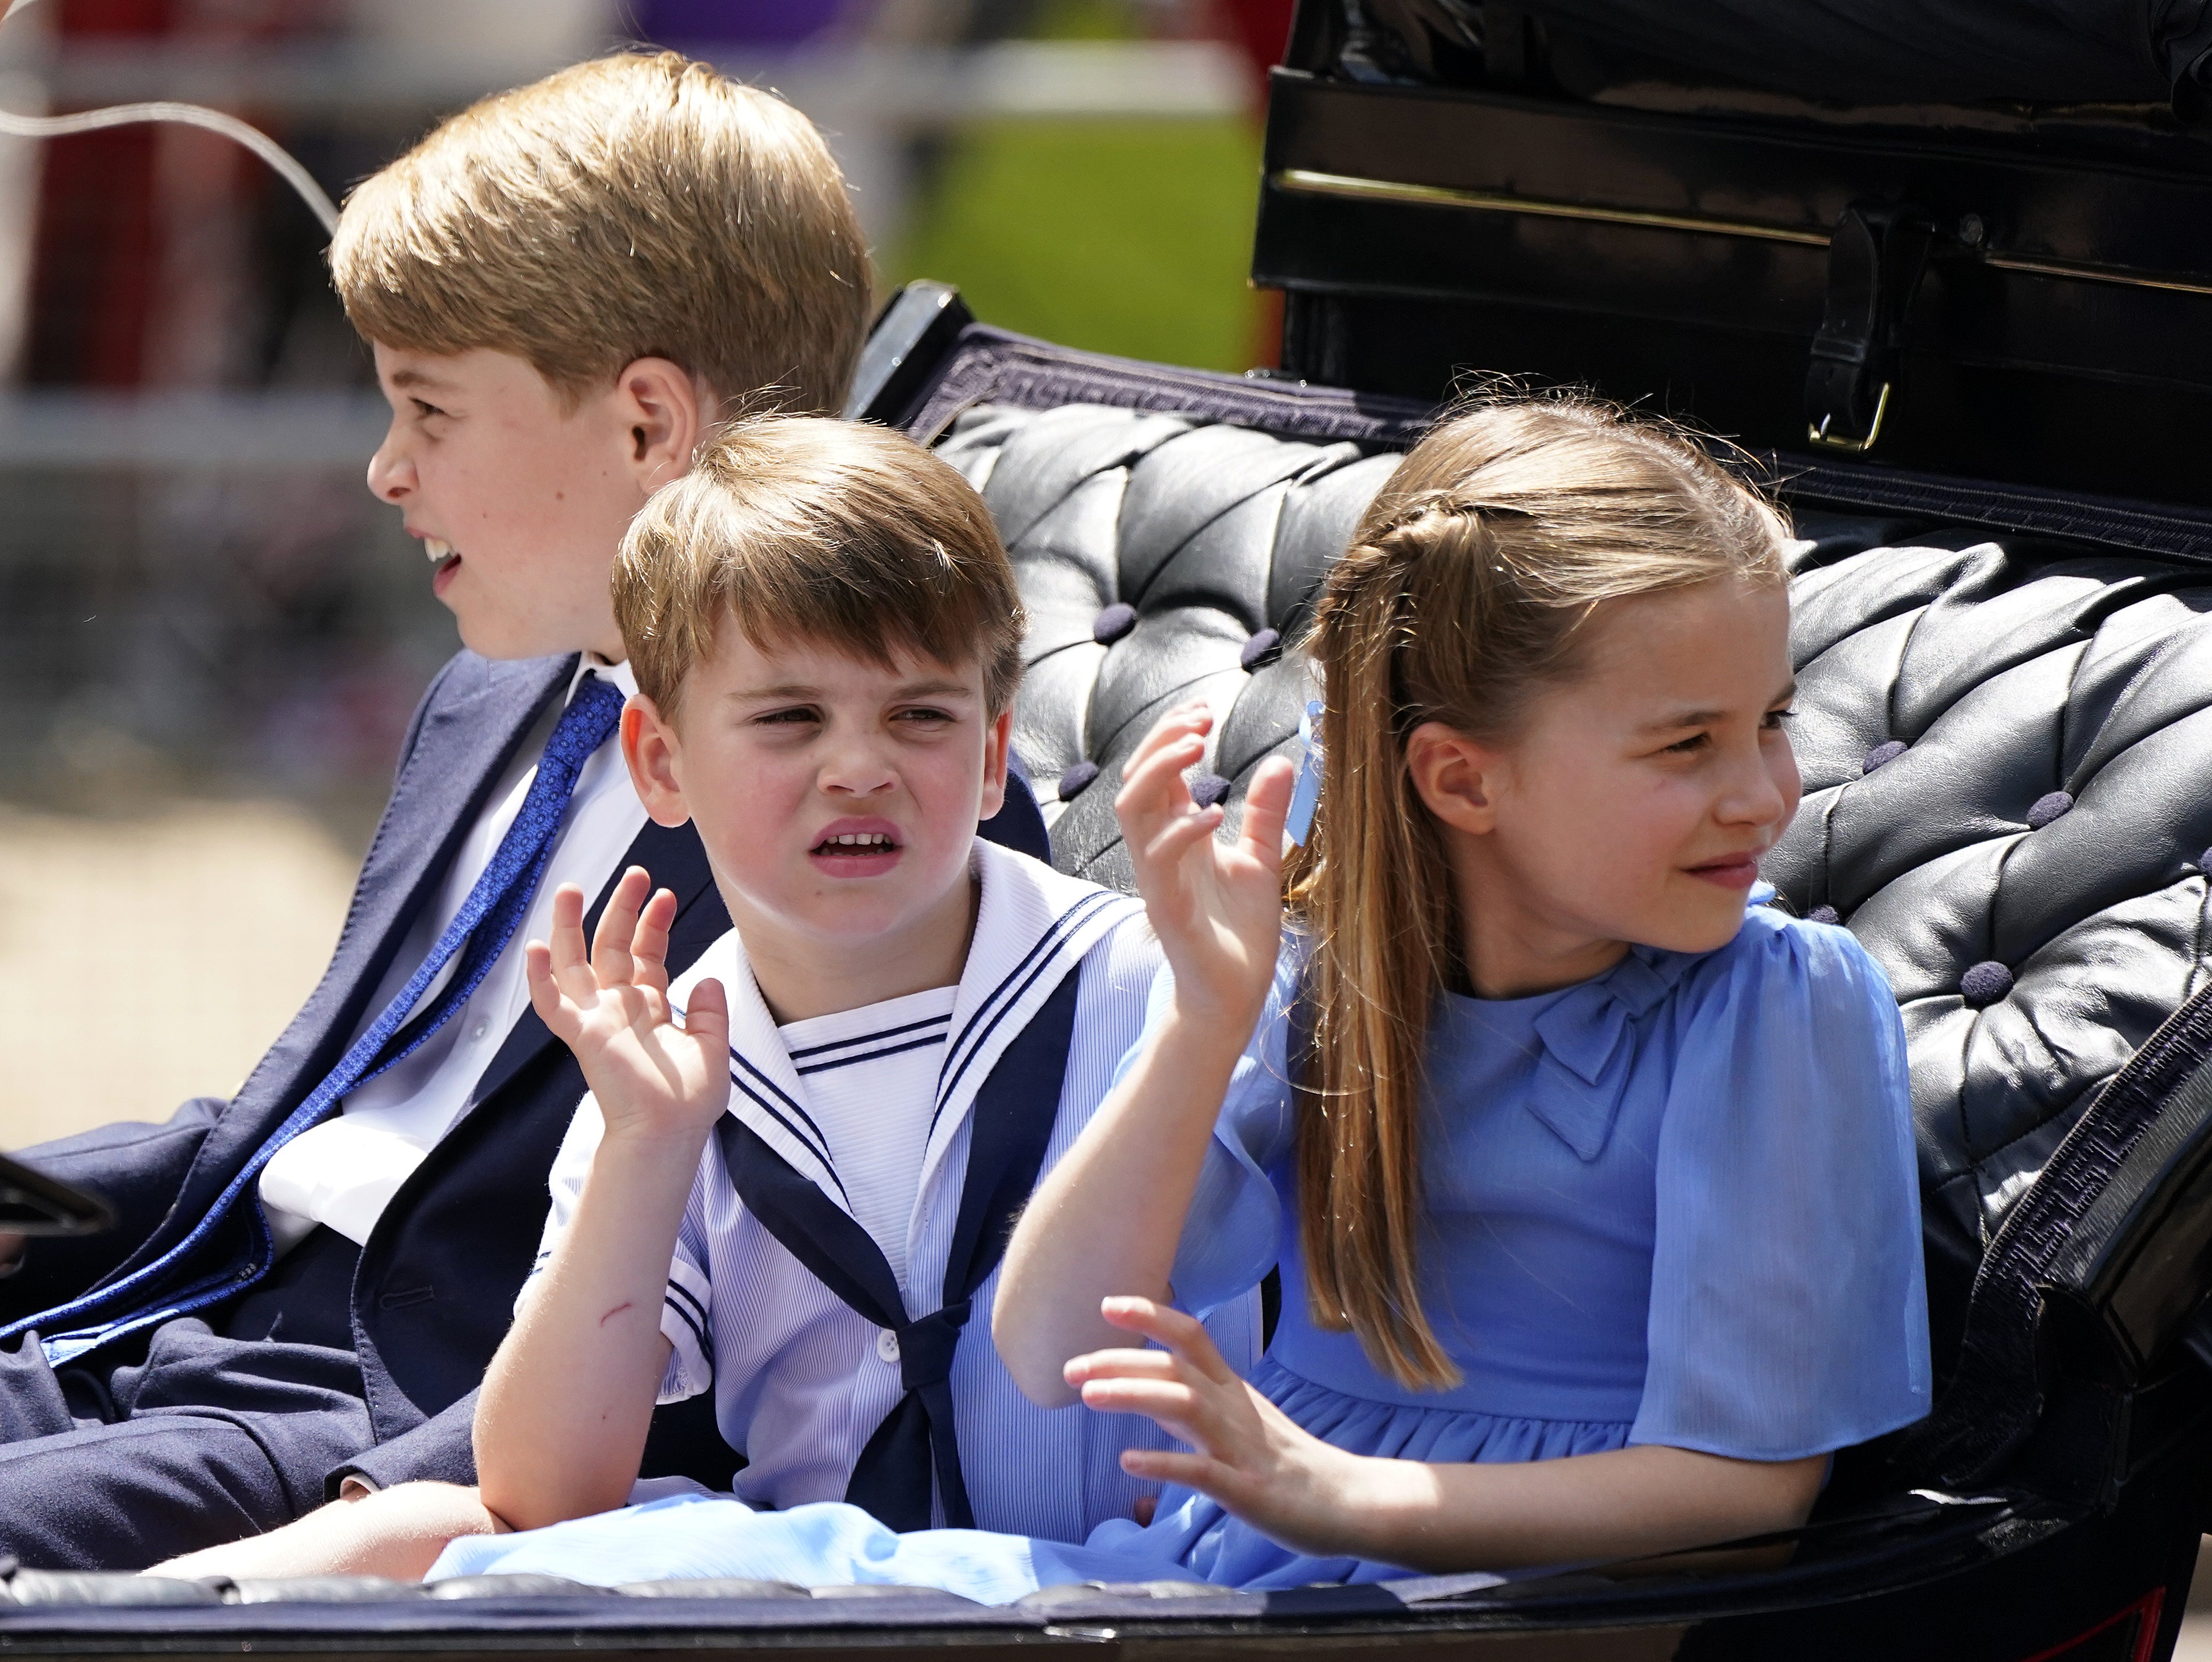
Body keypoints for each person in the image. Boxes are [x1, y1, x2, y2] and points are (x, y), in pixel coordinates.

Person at [262, 392, 1931, 1599]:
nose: (1764, 792)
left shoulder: (1773, 1007)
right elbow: (1047, 1352)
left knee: (577, 1590)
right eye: (1687, 744)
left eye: (1767, 723)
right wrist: (1201, 1033)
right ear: (1458, 776)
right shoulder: (1326, 994)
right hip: (1202, 1562)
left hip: (1474, 1601)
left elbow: (1744, 1490)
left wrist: (1339, 1494)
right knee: (483, 1559)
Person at [0, 53, 1045, 1571]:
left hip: (374, 1431)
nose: (384, 469)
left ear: (644, 427)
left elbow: (775, 1332)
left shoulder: (872, 842)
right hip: (178, 1314)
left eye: (428, 408)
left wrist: (400, 1522)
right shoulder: (493, 696)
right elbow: (300, 1130)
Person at [148, 416, 1255, 1588]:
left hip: (1139, 1584)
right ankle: (96, 1629)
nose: (858, 767)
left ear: (992, 757)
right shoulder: (672, 1059)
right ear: (661, 764)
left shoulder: (1160, 984)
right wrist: (646, 1142)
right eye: (789, 719)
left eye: (919, 717)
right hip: (819, 1578)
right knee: (405, 1529)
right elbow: (540, 1491)